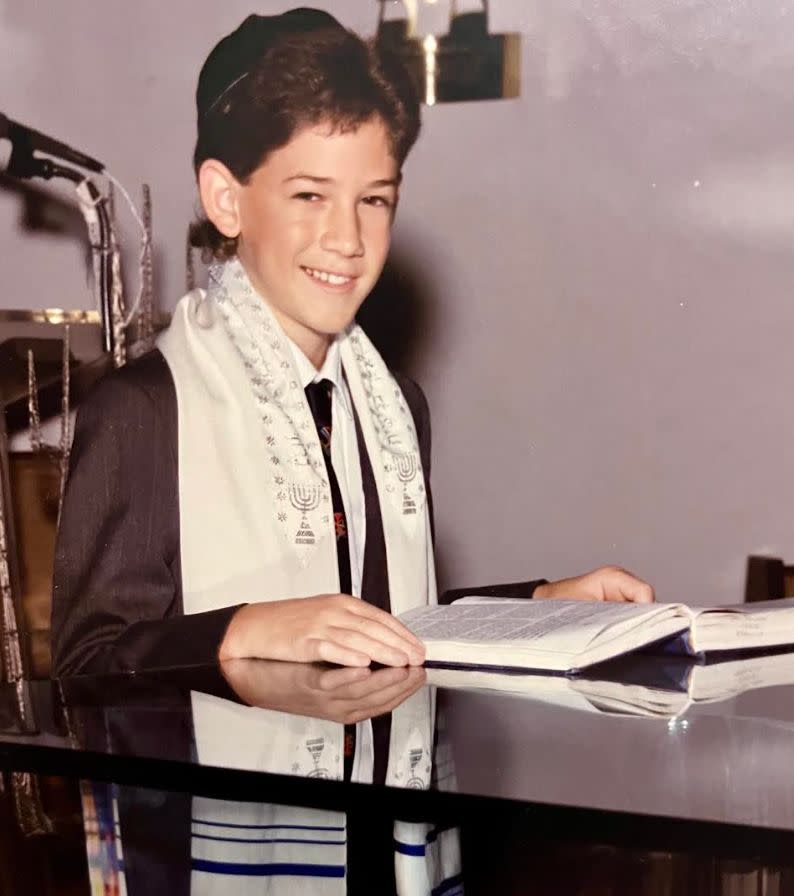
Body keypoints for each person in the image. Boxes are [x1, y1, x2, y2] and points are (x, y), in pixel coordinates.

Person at [51, 7, 654, 681]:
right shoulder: (144, 411)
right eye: (310, 195)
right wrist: (244, 629)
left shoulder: (394, 405)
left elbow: (385, 626)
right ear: (227, 199)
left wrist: (542, 607)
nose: (347, 239)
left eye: (374, 200)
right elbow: (87, 667)